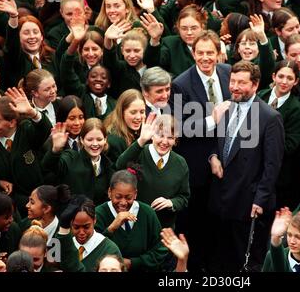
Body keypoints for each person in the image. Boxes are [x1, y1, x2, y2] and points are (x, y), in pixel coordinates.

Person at [208, 60, 284, 271]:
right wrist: (213, 157)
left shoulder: (270, 117)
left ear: (255, 85)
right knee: (223, 257)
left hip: (248, 203)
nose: (234, 87)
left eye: (241, 83)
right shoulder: (227, 108)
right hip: (222, 200)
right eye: (232, 81)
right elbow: (219, 144)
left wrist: (260, 200)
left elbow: (272, 165)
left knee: (246, 261)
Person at [168, 30, 231, 271]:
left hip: (227, 159)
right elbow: (178, 127)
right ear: (192, 53)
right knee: (197, 221)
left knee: (221, 219)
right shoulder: (180, 84)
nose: (205, 58)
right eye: (200, 53)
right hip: (196, 168)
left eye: (210, 53)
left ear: (218, 53)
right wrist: (210, 120)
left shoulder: (228, 73)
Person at [0, 88, 52, 215]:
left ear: (12, 122)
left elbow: (45, 128)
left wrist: (32, 112)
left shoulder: (26, 130)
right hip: (10, 206)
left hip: (37, 201)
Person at [116, 114, 190, 229]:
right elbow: (119, 165)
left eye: (170, 137)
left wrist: (171, 203)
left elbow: (184, 197)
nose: (164, 142)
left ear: (175, 140)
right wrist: (141, 140)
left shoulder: (180, 163)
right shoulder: (139, 153)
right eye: (160, 135)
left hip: (163, 228)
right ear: (152, 136)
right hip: (135, 224)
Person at [94, 170, 168, 271]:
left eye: (128, 197)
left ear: (135, 194)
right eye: (118, 197)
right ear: (109, 192)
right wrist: (112, 227)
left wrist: (134, 263)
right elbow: (93, 250)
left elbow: (161, 249)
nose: (123, 202)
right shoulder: (99, 213)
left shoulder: (147, 212)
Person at [257, 59, 300, 208]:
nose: (284, 81)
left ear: (296, 81)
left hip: (279, 174)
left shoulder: (296, 109)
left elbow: (289, 146)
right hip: (254, 168)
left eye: (290, 78)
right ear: (273, 77)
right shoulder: (261, 96)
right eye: (281, 76)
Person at [42, 119, 114, 206]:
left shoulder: (108, 166)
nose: (95, 144)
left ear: (105, 139)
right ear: (82, 140)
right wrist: (56, 149)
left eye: (99, 139)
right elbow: (48, 167)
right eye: (90, 139)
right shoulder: (71, 158)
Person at [55, 195, 122, 272]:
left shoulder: (110, 249)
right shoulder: (62, 242)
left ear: (94, 220)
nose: (81, 232)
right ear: (70, 223)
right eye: (76, 227)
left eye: (86, 227)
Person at [103, 89, 145, 163]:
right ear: (122, 112)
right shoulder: (114, 141)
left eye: (142, 112)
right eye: (133, 112)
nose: (138, 117)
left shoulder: (143, 132)